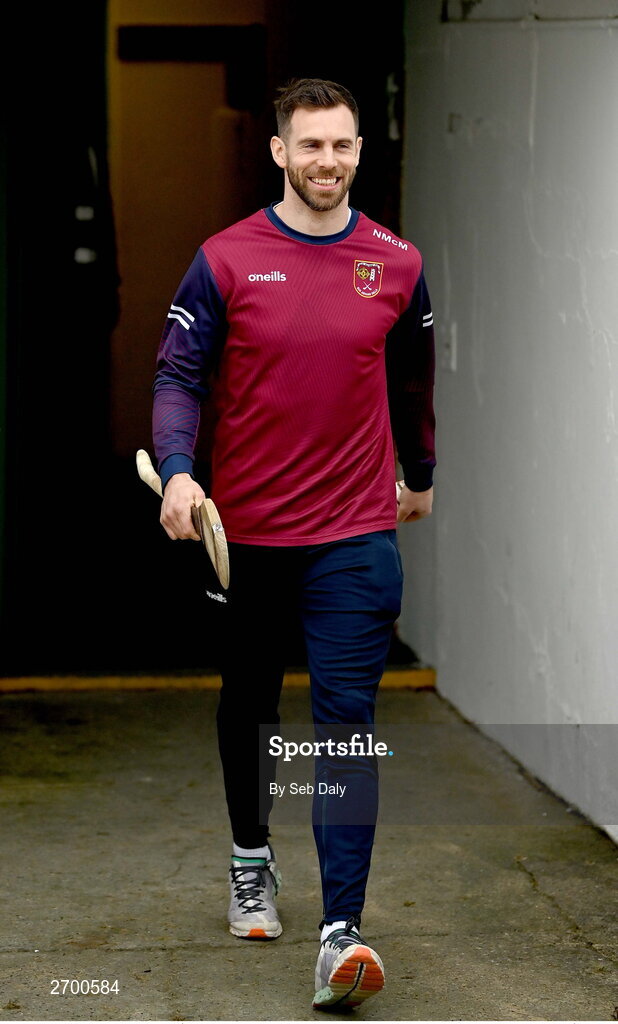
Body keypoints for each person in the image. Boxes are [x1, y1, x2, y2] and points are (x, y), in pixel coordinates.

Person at [151, 77, 436, 1011]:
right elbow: (179, 374)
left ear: (361, 151)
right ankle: (250, 858)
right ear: (280, 150)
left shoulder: (397, 261)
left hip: (354, 532)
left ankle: (341, 931)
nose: (327, 162)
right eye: (309, 146)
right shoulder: (226, 259)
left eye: (342, 146)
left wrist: (421, 476)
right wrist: (182, 469)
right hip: (250, 533)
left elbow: (414, 376)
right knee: (250, 704)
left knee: (348, 730)